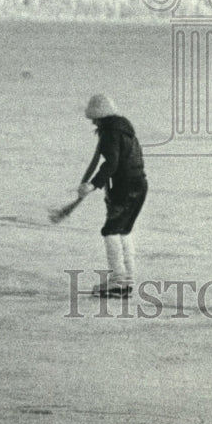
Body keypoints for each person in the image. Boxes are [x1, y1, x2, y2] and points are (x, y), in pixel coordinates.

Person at [76, 94, 148, 297]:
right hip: (139, 184)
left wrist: (92, 185)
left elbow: (111, 164)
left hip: (125, 188)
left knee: (111, 230)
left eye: (94, 118)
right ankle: (127, 279)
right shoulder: (125, 129)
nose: (92, 122)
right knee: (123, 230)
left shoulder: (110, 134)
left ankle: (118, 281)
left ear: (100, 117)